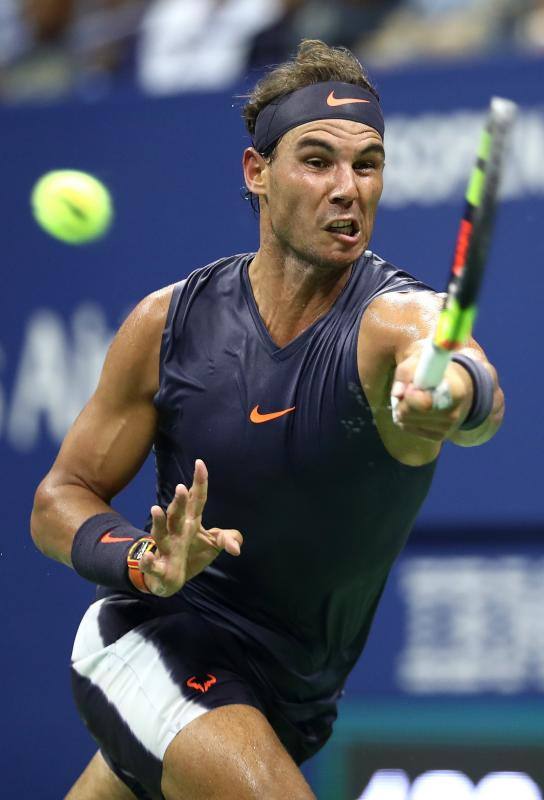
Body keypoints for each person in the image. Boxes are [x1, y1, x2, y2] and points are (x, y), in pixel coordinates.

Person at [30, 38, 504, 800]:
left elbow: (463, 372)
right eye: (317, 160)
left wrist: (458, 393)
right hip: (154, 638)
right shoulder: (167, 325)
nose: (348, 188)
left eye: (368, 164)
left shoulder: (395, 321)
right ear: (258, 173)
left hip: (288, 698)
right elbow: (59, 498)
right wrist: (141, 558)